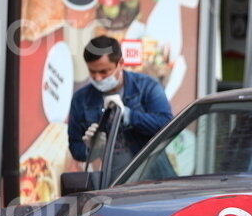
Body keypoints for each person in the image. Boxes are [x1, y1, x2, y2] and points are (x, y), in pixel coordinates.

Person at [68, 35, 173, 178]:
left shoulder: (147, 87)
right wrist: (92, 149)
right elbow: (75, 147)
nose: (98, 78)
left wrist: (128, 115)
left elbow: (167, 126)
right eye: (92, 72)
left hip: (154, 182)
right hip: (112, 186)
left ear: (121, 63)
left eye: (104, 71)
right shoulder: (81, 100)